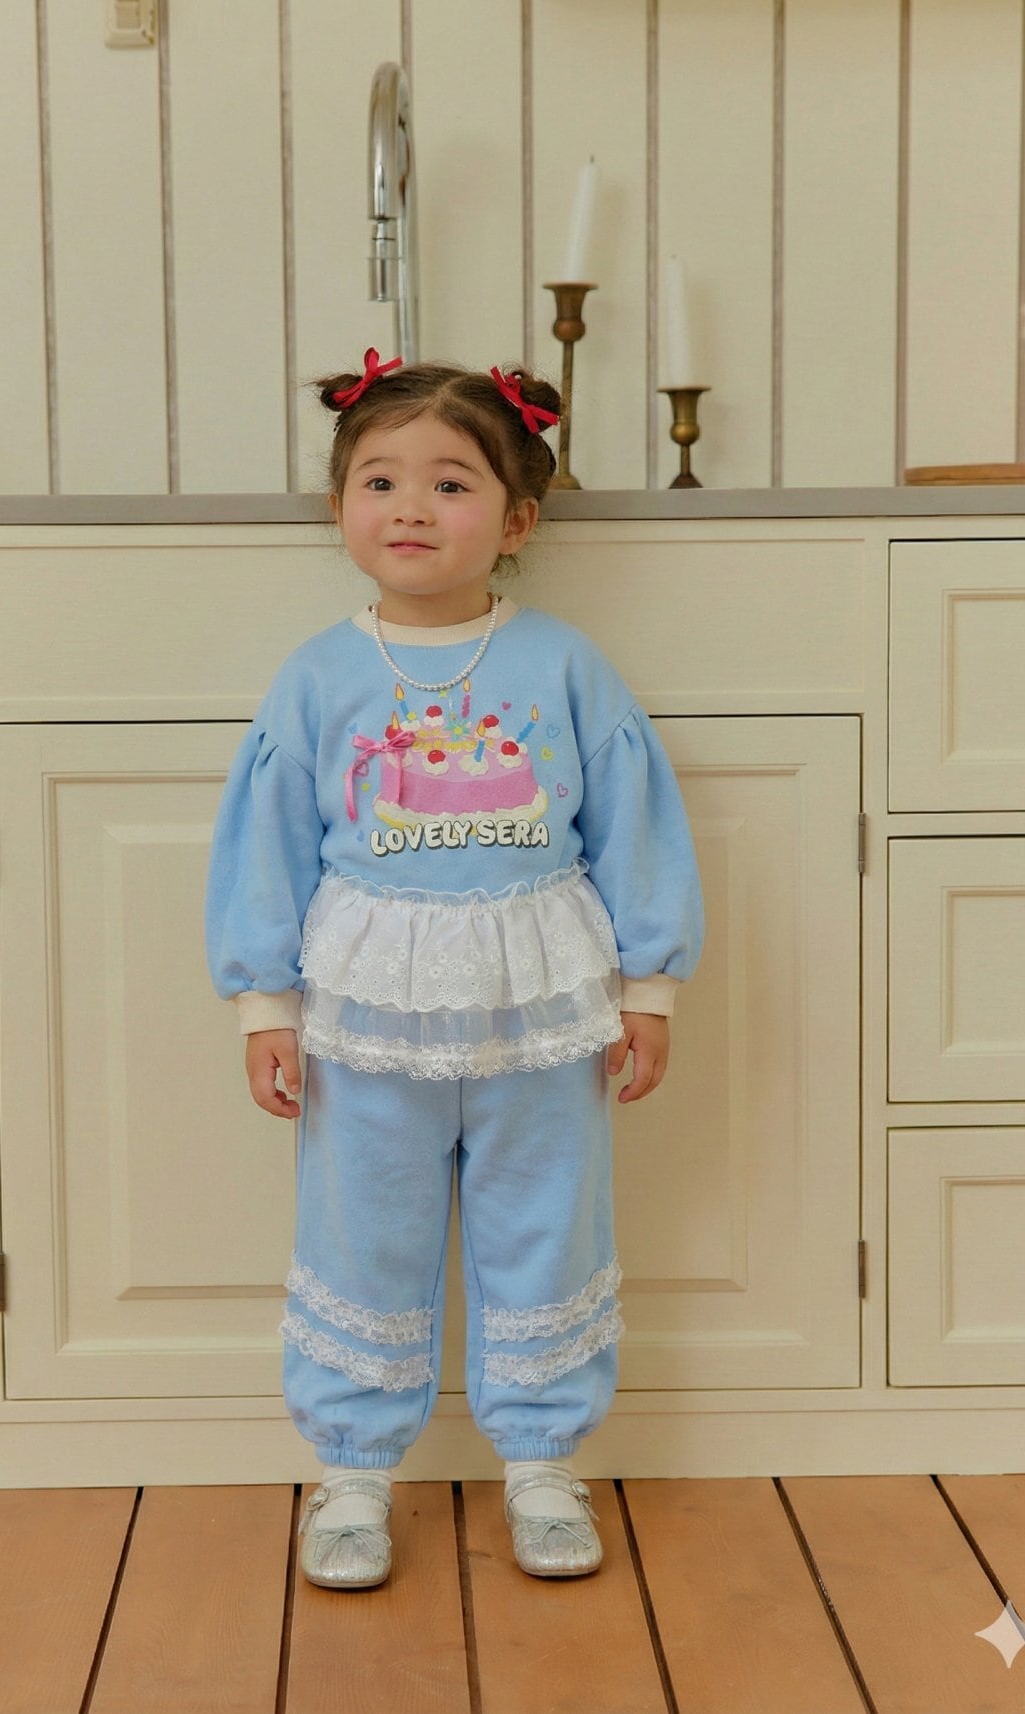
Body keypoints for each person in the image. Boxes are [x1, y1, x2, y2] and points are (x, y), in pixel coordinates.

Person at [205, 350, 703, 1590]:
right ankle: (353, 1473)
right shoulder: (317, 677)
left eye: (450, 482)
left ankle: (541, 1459)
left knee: (548, 1225)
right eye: (378, 480)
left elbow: (634, 828)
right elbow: (266, 845)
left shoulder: (565, 667)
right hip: (367, 1019)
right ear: (339, 508)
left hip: (543, 1014)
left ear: (516, 519)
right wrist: (263, 1003)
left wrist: (646, 989)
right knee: (359, 1229)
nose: (411, 508)